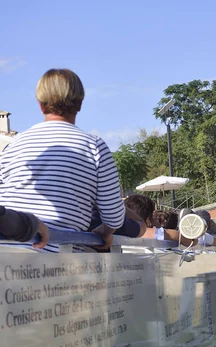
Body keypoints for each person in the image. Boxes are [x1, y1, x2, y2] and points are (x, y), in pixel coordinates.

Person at [0, 69, 124, 251]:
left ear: (41, 105)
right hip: (58, 264)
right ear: (80, 104)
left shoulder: (13, 145)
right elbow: (114, 215)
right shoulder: (94, 147)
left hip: (7, 255)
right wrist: (106, 231)